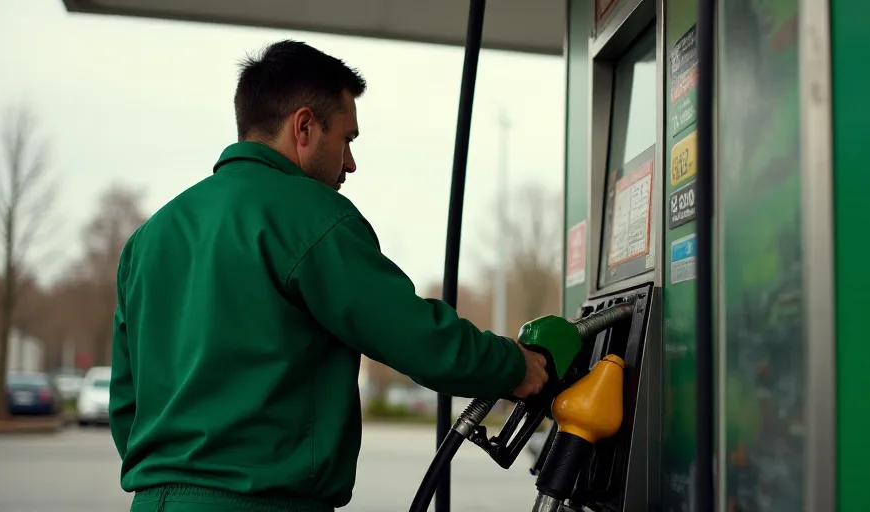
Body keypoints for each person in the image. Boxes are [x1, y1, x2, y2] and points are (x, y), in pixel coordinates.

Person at [109, 39, 550, 512]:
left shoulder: (149, 239)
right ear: (304, 127)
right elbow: (413, 335)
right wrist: (515, 366)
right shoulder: (311, 218)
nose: (350, 162)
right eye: (347, 139)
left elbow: (126, 407)